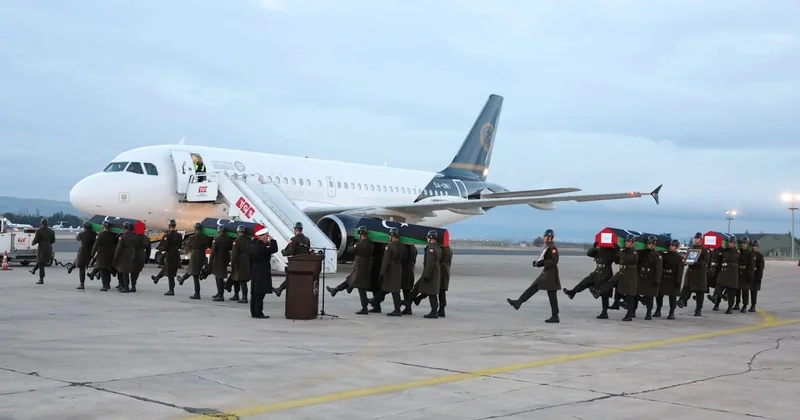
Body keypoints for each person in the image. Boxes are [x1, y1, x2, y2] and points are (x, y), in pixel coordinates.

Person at [506, 229, 561, 323]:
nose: (544, 238)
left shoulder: (553, 248)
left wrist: (541, 263)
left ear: (550, 237)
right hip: (548, 273)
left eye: (545, 236)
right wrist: (538, 264)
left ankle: (518, 302)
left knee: (536, 288)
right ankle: (555, 316)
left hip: (550, 274)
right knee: (550, 294)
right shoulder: (548, 246)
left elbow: (554, 261)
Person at [564, 240, 617, 319]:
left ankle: (604, 313)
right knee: (585, 282)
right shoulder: (598, 250)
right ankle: (572, 292)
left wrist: (616, 249)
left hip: (606, 273)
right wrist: (594, 247)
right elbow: (589, 253)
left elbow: (617, 260)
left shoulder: (610, 251)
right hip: (597, 272)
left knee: (604, 294)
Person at [371, 228, 407, 316]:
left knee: (393, 290)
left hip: (390, 269)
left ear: (392, 236)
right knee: (388, 288)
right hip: (398, 267)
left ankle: (397, 310)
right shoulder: (402, 246)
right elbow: (405, 258)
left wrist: (382, 272)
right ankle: (375, 301)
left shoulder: (389, 246)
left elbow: (385, 260)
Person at [274, 222, 311, 297]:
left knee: (291, 277)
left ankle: (280, 289)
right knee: (293, 278)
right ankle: (279, 289)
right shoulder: (307, 239)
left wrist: (283, 252)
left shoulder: (294, 239)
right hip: (304, 263)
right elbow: (308, 250)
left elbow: (290, 251)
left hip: (295, 263)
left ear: (296, 229)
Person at [677, 232, 709, 316]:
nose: (696, 240)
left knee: (699, 293)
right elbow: (687, 259)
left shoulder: (704, 250)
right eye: (695, 238)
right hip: (691, 273)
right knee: (686, 287)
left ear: (701, 239)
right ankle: (682, 301)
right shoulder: (691, 248)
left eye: (697, 238)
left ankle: (698, 309)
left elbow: (706, 261)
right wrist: (683, 262)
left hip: (699, 274)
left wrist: (695, 263)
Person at [249, 228, 278, 318]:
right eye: (266, 236)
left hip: (254, 270)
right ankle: (258, 313)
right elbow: (274, 248)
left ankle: (253, 312)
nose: (267, 238)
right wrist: (272, 240)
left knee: (254, 293)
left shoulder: (253, 245)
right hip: (262, 271)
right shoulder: (263, 247)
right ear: (261, 237)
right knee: (260, 293)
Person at [151, 219, 183, 296]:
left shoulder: (167, 235)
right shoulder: (179, 235)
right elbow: (180, 245)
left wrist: (160, 248)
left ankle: (171, 290)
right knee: (168, 268)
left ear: (169, 226)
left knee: (170, 272)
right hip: (176, 253)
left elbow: (165, 246)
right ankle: (157, 278)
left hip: (170, 253)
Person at [636, 235, 663, 320]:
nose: (648, 244)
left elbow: (658, 269)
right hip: (642, 277)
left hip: (651, 279)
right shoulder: (642, 252)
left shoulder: (657, 255)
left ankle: (648, 313)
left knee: (649, 297)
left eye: (650, 243)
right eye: (647, 243)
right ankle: (633, 311)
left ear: (654, 244)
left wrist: (657, 280)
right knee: (635, 294)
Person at [349, 226, 374, 315]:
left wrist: (353, 242)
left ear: (360, 234)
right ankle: (348, 288)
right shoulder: (370, 244)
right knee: (362, 287)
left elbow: (350, 250)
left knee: (361, 289)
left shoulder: (359, 244)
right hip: (367, 267)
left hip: (360, 268)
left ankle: (364, 308)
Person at [656, 239, 684, 319]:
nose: (670, 247)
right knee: (659, 295)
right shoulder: (665, 255)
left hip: (673, 279)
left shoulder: (679, 258)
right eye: (670, 245)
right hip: (664, 278)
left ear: (676, 247)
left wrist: (678, 280)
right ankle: (658, 310)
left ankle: (672, 312)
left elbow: (680, 270)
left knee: (672, 297)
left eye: (672, 245)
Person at [712, 236, 740, 314]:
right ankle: (720, 297)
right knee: (718, 288)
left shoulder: (736, 252)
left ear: (734, 243)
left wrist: (724, 251)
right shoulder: (725, 250)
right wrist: (718, 248)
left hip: (732, 274)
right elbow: (716, 256)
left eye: (731, 242)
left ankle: (730, 308)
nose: (729, 243)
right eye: (728, 242)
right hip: (723, 273)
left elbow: (732, 258)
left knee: (731, 293)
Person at [181, 223, 208, 299]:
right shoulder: (205, 237)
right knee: (193, 270)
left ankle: (197, 293)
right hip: (202, 254)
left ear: (195, 229)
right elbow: (207, 246)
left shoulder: (192, 237)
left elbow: (187, 245)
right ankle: (182, 279)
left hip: (195, 255)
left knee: (195, 274)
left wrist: (188, 249)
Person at [209, 225, 234, 302]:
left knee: (218, 277)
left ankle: (220, 295)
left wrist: (210, 263)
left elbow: (213, 252)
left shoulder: (217, 240)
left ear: (219, 231)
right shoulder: (229, 240)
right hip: (225, 260)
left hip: (218, 260)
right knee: (219, 277)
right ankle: (219, 293)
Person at [91, 221, 118, 291]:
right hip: (110, 254)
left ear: (103, 226)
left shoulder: (100, 235)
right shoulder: (113, 235)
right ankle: (108, 284)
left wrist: (92, 254)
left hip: (102, 254)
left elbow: (96, 245)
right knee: (108, 269)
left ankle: (105, 285)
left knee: (102, 270)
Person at [69, 221, 96, 290]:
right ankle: (72, 267)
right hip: (90, 252)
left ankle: (81, 283)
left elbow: (77, 238)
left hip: (82, 250)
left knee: (81, 266)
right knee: (81, 264)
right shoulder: (94, 234)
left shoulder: (82, 234)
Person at [228, 225, 251, 303]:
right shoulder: (249, 240)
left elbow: (234, 254)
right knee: (237, 278)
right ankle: (236, 294)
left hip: (239, 261)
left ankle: (244, 297)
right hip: (247, 261)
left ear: (238, 232)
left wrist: (232, 264)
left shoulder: (236, 241)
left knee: (241, 280)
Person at [113, 222, 138, 293]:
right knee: (129, 271)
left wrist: (115, 257)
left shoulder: (122, 237)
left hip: (124, 255)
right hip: (132, 253)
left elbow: (119, 248)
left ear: (124, 228)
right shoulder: (134, 237)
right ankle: (128, 286)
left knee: (125, 272)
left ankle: (126, 287)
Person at [30, 218, 55, 284]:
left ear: (41, 223)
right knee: (41, 261)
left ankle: (41, 279)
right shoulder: (51, 231)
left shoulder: (39, 231)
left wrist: (33, 243)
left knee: (41, 263)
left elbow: (36, 239)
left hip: (42, 247)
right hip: (49, 247)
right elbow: (53, 240)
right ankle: (33, 270)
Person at [733, 236, 755, 313]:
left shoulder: (750, 254)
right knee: (737, 290)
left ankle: (745, 305)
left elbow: (751, 266)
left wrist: (750, 276)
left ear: (747, 244)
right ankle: (737, 304)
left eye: (744, 243)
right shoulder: (738, 252)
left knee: (745, 291)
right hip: (738, 273)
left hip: (746, 274)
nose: (743, 244)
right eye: (742, 243)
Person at [130, 225, 150, 293]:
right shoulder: (147, 238)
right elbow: (148, 250)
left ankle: (132, 286)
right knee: (136, 272)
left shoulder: (134, 236)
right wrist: (147, 259)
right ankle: (133, 284)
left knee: (132, 272)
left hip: (134, 255)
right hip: (142, 256)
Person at [438, 241, 453, 318]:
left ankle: (441, 309)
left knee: (440, 290)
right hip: (446, 270)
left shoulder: (441, 249)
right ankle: (442, 309)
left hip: (441, 271)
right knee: (442, 291)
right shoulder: (449, 249)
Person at [750, 240, 765, 312]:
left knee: (754, 292)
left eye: (756, 246)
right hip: (748, 275)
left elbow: (761, 268)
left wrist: (759, 278)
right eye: (753, 246)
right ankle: (739, 304)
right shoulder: (749, 254)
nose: (754, 247)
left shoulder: (760, 256)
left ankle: (753, 306)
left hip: (755, 276)